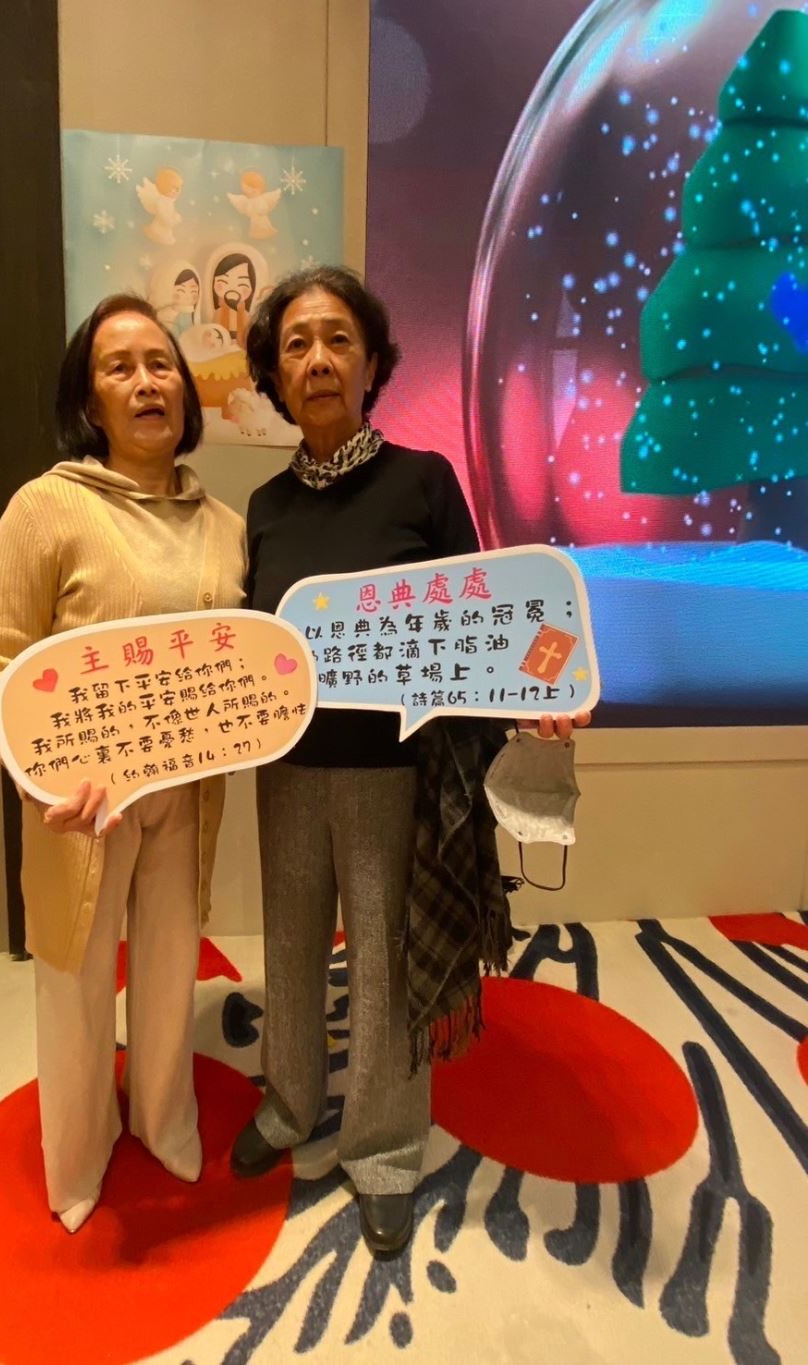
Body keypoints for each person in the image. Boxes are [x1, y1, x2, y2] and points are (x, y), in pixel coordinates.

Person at [230, 266, 589, 1255]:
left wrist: (542, 695)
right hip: (286, 770)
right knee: (291, 944)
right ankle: (290, 1102)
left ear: (373, 364)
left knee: (385, 962)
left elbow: (490, 623)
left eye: (338, 340)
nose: (317, 359)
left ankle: (384, 1148)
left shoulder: (422, 481)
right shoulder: (262, 506)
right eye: (296, 344)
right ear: (274, 375)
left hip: (393, 775)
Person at [0, 294, 246, 1233]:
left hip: (187, 791)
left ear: (187, 390)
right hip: (81, 802)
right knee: (76, 975)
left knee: (170, 965)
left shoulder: (224, 524)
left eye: (161, 363)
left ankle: (165, 1120)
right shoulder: (46, 507)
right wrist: (40, 777)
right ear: (90, 401)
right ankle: (79, 1153)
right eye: (119, 366)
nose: (145, 381)